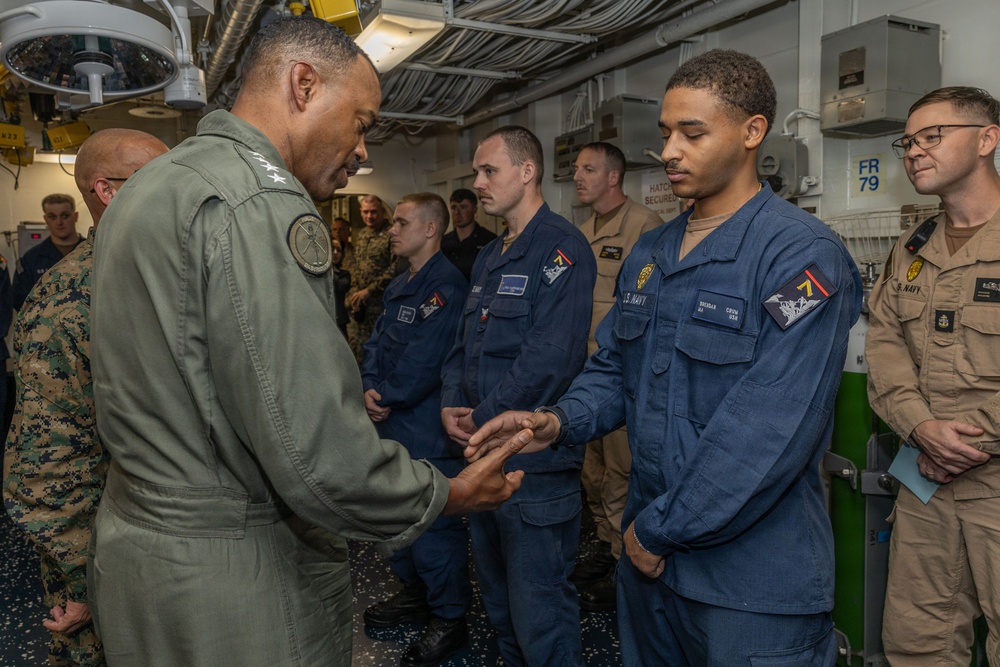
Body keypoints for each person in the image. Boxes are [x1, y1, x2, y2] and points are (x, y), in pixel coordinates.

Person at [87, 18, 527, 667]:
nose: (361, 152)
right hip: (234, 582)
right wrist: (449, 493)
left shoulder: (151, 185)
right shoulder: (257, 204)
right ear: (302, 84)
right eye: (361, 122)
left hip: (142, 562)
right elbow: (317, 456)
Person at [467, 50, 862, 666]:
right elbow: (614, 370)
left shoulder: (800, 257)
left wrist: (657, 530)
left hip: (746, 582)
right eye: (666, 134)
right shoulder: (653, 251)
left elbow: (768, 432)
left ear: (753, 131)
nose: (670, 151)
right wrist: (557, 420)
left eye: (692, 133)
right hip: (650, 565)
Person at [3, 128, 169, 667]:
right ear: (108, 191)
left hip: (162, 538)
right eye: (161, 180)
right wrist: (85, 579)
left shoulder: (163, 279)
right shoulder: (68, 300)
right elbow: (44, 464)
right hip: (100, 550)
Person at [440, 125, 596, 667]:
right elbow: (463, 343)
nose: (478, 183)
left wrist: (479, 419)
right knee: (501, 603)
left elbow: (549, 360)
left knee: (539, 609)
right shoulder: (489, 255)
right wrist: (450, 404)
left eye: (489, 171)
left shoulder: (561, 248)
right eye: (477, 173)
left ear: (527, 172)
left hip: (534, 463)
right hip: (482, 454)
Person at [866, 86, 1000, 665]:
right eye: (908, 141)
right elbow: (885, 341)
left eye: (933, 136)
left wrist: (970, 441)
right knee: (916, 640)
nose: (914, 151)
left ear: (987, 139)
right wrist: (921, 428)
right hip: (927, 477)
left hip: (990, 478)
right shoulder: (913, 248)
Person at [361, 193, 471, 667]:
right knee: (397, 524)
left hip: (425, 430)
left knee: (432, 532)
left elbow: (426, 361)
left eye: (401, 222)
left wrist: (383, 397)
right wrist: (367, 386)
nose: (392, 228)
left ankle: (449, 617)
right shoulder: (402, 284)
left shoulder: (445, 287)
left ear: (430, 229)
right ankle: (417, 595)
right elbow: (374, 344)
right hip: (392, 425)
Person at [570, 141, 663, 612]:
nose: (578, 177)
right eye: (576, 169)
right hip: (585, 376)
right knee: (593, 472)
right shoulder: (581, 230)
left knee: (622, 474)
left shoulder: (645, 227)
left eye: (588, 169)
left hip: (622, 373)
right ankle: (606, 551)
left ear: (613, 176)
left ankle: (621, 559)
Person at [347, 194, 395, 363]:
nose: (369, 216)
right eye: (366, 212)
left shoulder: (392, 234)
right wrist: (354, 293)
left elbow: (395, 269)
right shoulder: (362, 235)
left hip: (379, 305)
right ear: (361, 212)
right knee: (357, 351)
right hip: (360, 307)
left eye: (373, 212)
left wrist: (369, 290)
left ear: (382, 211)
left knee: (377, 352)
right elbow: (356, 266)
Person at [14, 194, 85, 309]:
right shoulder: (31, 259)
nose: (59, 222)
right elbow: (21, 303)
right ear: (46, 219)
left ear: (75, 216)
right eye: (52, 217)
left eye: (65, 216)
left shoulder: (92, 252)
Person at [441, 188, 496, 281]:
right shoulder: (443, 242)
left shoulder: (489, 241)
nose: (457, 213)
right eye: (454, 208)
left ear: (474, 209)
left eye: (463, 207)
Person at [329, 217, 352, 339]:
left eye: (339, 250)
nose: (336, 253)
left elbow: (341, 286)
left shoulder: (344, 274)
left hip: (340, 319)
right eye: (332, 249)